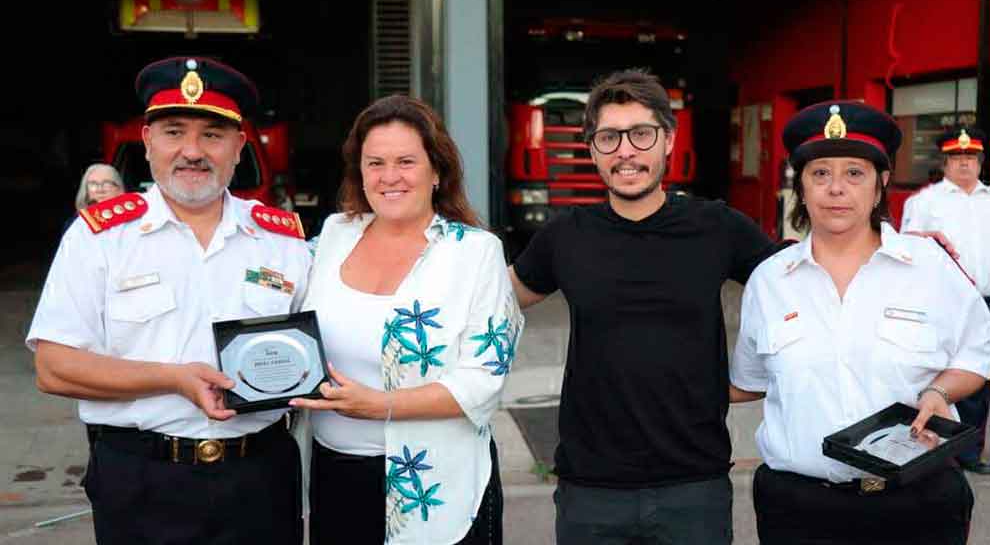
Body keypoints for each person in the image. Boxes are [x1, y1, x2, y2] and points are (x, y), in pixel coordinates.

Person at [26, 57, 312, 545]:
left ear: (240, 145)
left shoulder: (282, 241)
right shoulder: (99, 238)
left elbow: (321, 350)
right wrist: (173, 379)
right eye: (174, 132)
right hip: (141, 481)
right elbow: (54, 368)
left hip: (260, 480)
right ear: (148, 141)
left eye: (212, 135)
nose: (192, 152)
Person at [509, 68, 780, 544]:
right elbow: (491, 301)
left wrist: (755, 378)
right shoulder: (565, 236)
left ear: (668, 140)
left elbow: (803, 289)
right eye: (609, 137)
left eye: (641, 134)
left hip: (694, 487)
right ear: (592, 148)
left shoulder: (717, 228)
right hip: (590, 491)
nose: (625, 151)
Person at [730, 102, 990, 544]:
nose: (836, 188)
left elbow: (977, 353)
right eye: (820, 174)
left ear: (880, 183)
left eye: (854, 173)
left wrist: (939, 391)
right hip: (800, 511)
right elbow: (748, 380)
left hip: (917, 506)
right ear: (801, 186)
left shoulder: (930, 267)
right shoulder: (770, 281)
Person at [289, 94, 523, 545]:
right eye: (375, 163)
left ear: (437, 172)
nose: (389, 176)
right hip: (334, 476)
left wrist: (380, 406)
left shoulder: (475, 253)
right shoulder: (334, 235)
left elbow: (482, 381)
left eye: (406, 162)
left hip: (436, 483)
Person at [901, 125, 990, 474]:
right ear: (945, 162)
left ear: (980, 161)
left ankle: (972, 452)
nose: (964, 163)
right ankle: (952, 450)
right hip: (947, 303)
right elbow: (909, 253)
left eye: (971, 157)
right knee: (954, 374)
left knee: (983, 378)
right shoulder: (924, 202)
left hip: (988, 298)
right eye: (957, 157)